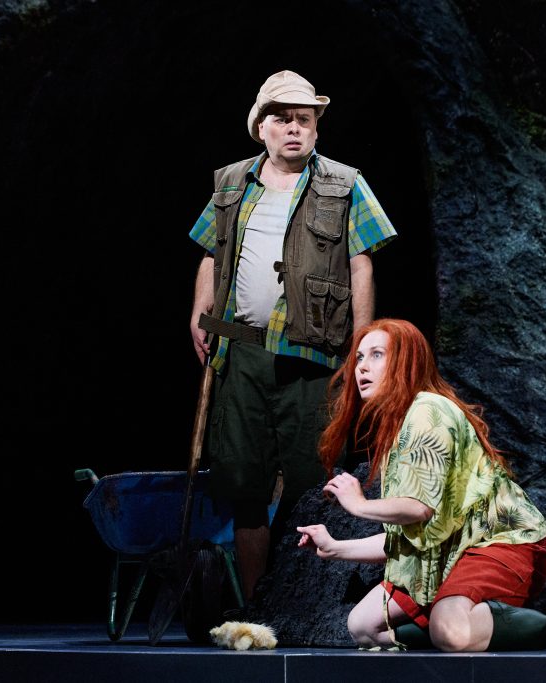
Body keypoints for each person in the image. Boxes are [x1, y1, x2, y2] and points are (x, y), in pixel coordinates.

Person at [188, 70, 396, 601]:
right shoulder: (232, 182)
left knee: (313, 483)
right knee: (245, 486)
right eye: (282, 119)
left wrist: (362, 344)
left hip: (312, 356)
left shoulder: (344, 183)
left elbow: (361, 264)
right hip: (241, 353)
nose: (294, 128)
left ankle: (305, 601)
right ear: (261, 128)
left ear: (316, 129)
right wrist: (198, 308)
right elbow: (212, 252)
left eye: (304, 119)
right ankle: (256, 604)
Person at [296, 319, 546, 651]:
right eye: (359, 358)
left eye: (377, 355)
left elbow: (418, 508)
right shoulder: (400, 427)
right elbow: (411, 537)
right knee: (364, 627)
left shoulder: (427, 410)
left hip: (502, 542)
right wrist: (336, 547)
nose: (362, 367)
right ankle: (455, 630)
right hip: (447, 555)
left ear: (406, 361)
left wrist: (359, 504)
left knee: (450, 629)